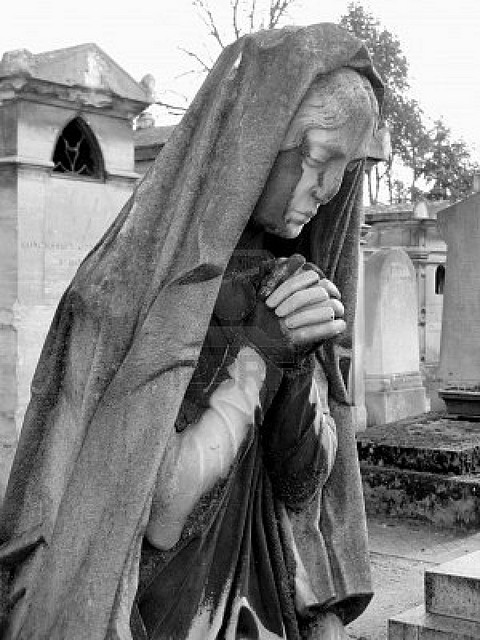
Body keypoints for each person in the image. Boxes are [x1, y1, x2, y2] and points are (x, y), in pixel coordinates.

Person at [0, 23, 383, 640]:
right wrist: (258, 356)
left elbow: (304, 489)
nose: (327, 191)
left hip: (270, 605)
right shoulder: (119, 298)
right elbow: (159, 515)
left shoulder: (290, 280)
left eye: (346, 172)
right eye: (317, 160)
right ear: (252, 144)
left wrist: (297, 369)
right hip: (169, 610)